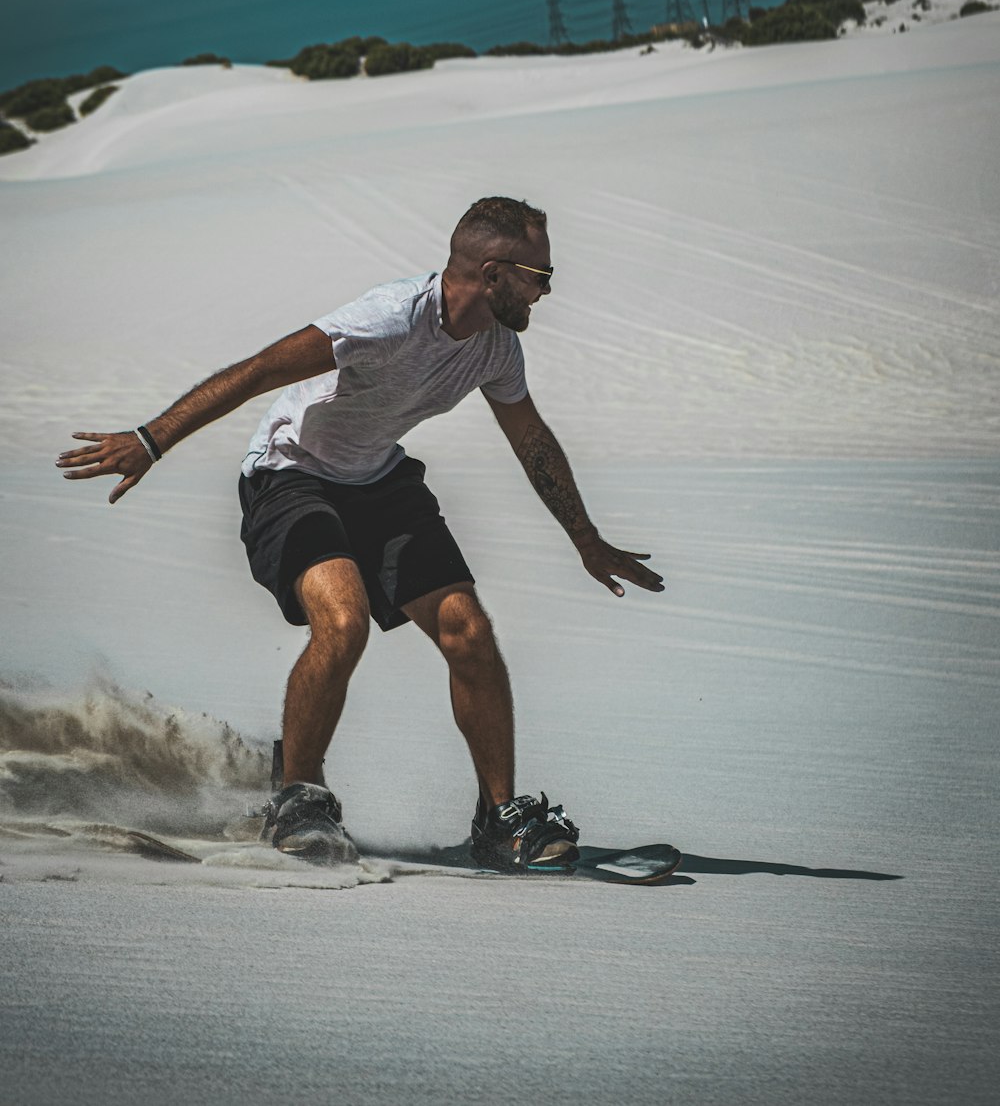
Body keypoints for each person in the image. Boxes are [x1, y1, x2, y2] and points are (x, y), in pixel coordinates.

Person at [57, 196, 664, 871]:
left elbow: (532, 442)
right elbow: (261, 369)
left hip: (380, 481)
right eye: (539, 274)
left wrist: (585, 538)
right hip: (291, 475)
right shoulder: (388, 318)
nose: (547, 290)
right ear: (493, 272)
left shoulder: (496, 346)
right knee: (344, 622)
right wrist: (151, 439)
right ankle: (297, 798)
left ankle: (500, 820)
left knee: (469, 630)